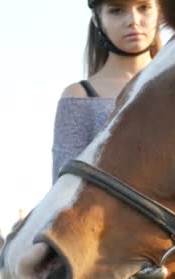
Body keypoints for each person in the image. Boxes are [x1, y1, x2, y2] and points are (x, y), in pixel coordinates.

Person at [51, 0, 162, 183]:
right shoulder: (81, 95)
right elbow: (64, 185)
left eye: (144, 7)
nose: (133, 20)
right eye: (116, 11)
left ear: (160, 13)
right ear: (97, 20)